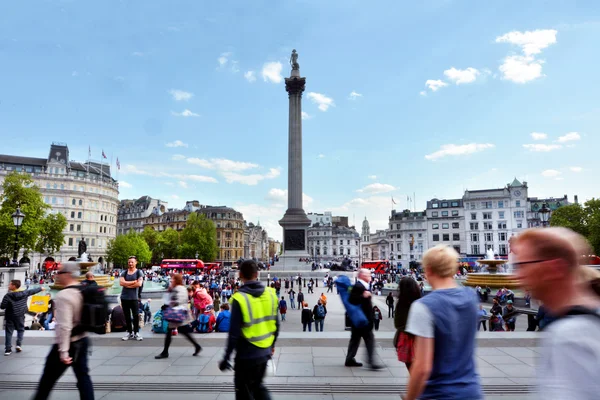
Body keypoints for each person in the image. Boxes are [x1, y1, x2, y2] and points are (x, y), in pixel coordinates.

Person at [513, 227, 600, 399]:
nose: (517, 275)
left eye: (522, 265)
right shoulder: (589, 317)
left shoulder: (570, 336)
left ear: (554, 268)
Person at [402, 245, 482, 400]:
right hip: (471, 390)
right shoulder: (471, 297)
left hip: (439, 393)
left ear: (429, 269)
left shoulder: (423, 307)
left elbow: (422, 367)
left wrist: (410, 398)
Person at [219, 259, 279, 400]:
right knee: (258, 387)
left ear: (240, 275)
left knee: (243, 392)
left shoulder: (240, 298)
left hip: (246, 355)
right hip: (264, 353)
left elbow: (233, 334)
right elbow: (276, 326)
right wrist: (272, 345)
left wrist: (226, 357)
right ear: (257, 274)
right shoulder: (270, 294)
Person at [33, 262, 94, 400]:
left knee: (47, 380)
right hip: (83, 340)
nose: (56, 275)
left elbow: (65, 326)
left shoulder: (64, 295)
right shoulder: (83, 290)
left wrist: (63, 351)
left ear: (67, 274)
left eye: (59, 273)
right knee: (84, 378)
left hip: (69, 343)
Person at [155, 273, 201, 359]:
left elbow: (177, 300)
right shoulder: (181, 288)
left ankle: (165, 352)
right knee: (182, 331)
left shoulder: (178, 289)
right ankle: (196, 346)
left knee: (172, 331)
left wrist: (168, 304)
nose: (171, 280)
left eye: (173, 279)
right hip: (180, 313)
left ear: (176, 280)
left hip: (176, 313)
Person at [345, 269, 383, 370]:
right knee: (369, 340)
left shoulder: (363, 286)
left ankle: (349, 359)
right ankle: (372, 362)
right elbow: (351, 300)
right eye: (368, 274)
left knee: (355, 339)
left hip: (359, 320)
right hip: (363, 320)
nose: (370, 276)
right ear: (362, 275)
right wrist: (363, 296)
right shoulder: (358, 286)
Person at [1, 279, 44, 355]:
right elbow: (33, 291)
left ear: (14, 286)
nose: (8, 286)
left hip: (10, 316)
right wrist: (40, 288)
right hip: (20, 316)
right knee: (20, 330)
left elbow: (2, 306)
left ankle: (8, 350)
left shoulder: (8, 295)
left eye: (10, 284)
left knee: (9, 332)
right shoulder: (25, 292)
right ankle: (18, 345)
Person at [394, 277, 421, 372]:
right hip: (418, 339)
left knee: (411, 368)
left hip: (406, 339)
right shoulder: (421, 302)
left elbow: (398, 323)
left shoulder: (401, 303)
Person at [119, 256, 144, 341]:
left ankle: (136, 332)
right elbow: (121, 283)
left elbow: (139, 284)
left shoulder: (139, 272)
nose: (130, 264)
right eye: (129, 262)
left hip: (134, 298)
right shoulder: (124, 272)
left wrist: (126, 284)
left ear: (136, 262)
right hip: (124, 297)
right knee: (127, 316)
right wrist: (133, 282)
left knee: (135, 315)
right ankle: (129, 332)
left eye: (132, 262)